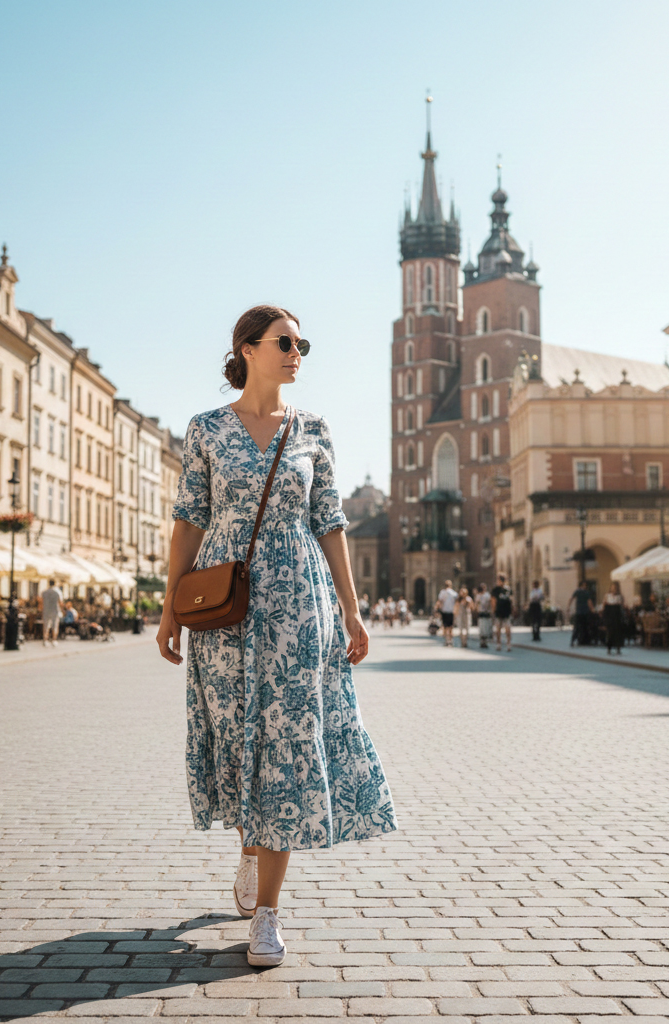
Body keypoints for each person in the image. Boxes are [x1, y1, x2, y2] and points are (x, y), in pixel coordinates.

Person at [156, 304, 397, 968]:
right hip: (226, 605)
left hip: (299, 604)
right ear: (248, 349)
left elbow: (331, 522)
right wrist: (170, 607)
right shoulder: (206, 429)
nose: (296, 354)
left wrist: (352, 611)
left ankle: (267, 911)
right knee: (239, 738)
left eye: (301, 345)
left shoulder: (313, 429)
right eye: (285, 343)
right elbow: (188, 521)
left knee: (289, 746)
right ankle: (250, 844)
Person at [491, 573, 513, 652]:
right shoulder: (495, 590)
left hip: (507, 612)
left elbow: (511, 600)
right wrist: (493, 611)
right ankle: (498, 644)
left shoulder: (508, 589)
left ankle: (508, 644)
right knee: (498, 629)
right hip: (498, 612)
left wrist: (512, 610)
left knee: (508, 629)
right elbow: (493, 601)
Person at [602, 581, 625, 655]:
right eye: (612, 587)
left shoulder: (620, 596)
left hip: (617, 615)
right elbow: (604, 605)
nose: (613, 589)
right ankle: (609, 648)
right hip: (610, 615)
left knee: (617, 632)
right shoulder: (607, 595)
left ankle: (618, 648)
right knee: (610, 632)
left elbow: (622, 606)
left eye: (615, 587)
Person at [40, 579, 64, 647]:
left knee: (46, 626)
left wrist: (42, 609)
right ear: (54, 583)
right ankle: (54, 640)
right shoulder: (58, 592)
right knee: (55, 626)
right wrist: (62, 610)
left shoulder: (44, 592)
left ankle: (45, 640)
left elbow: (41, 602)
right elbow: (60, 602)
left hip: (46, 611)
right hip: (55, 611)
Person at [436, 579, 459, 647]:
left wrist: (437, 609)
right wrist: (456, 611)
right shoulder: (454, 593)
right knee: (451, 627)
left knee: (445, 626)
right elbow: (456, 603)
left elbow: (440, 601)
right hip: (451, 611)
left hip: (444, 611)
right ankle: (450, 640)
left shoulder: (442, 592)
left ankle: (446, 640)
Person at [476, 582, 493, 648]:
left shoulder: (487, 595)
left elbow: (490, 603)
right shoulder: (478, 595)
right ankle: (482, 642)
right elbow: (476, 604)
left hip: (487, 613)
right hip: (481, 613)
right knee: (481, 628)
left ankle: (485, 642)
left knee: (486, 628)